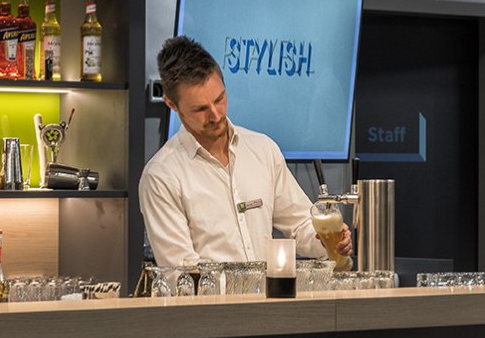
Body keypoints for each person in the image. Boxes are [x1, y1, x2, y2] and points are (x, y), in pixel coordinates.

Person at [140, 36, 353, 267]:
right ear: (171, 104)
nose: (215, 115)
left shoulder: (263, 150)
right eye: (200, 109)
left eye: (219, 99)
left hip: (267, 302)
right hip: (209, 304)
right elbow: (179, 271)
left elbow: (300, 223)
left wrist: (326, 239)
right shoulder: (161, 176)